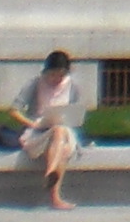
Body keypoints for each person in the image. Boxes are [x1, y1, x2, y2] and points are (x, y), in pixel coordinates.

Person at [12, 49, 83, 212]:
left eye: (60, 75)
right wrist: (33, 124)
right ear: (46, 72)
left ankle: (50, 174)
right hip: (38, 132)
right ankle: (55, 196)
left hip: (63, 131)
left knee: (60, 131)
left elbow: (76, 112)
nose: (56, 79)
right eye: (52, 75)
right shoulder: (34, 84)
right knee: (62, 145)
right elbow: (14, 110)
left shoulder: (73, 87)